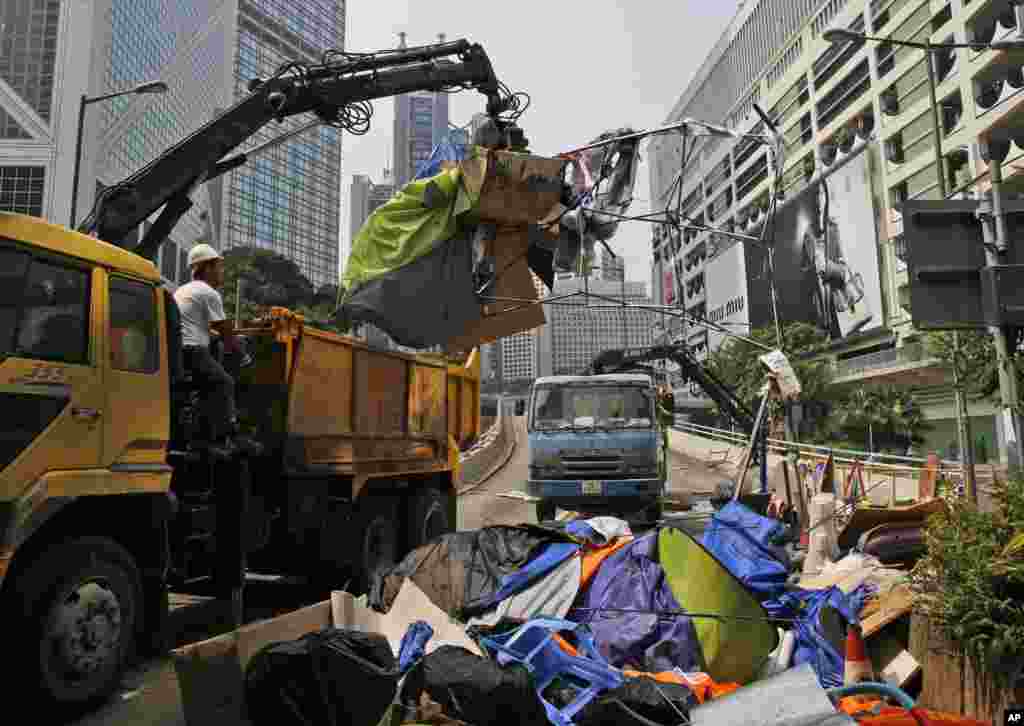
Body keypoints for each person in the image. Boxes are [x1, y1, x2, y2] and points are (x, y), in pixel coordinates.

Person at [174, 243, 260, 458]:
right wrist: (244, 356)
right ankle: (225, 438)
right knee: (224, 383)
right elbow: (226, 332)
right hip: (193, 351)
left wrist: (218, 338)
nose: (222, 273)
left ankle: (200, 439)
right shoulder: (208, 292)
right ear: (207, 268)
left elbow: (198, 325)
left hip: (179, 353)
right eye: (219, 268)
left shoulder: (183, 290)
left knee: (207, 388)